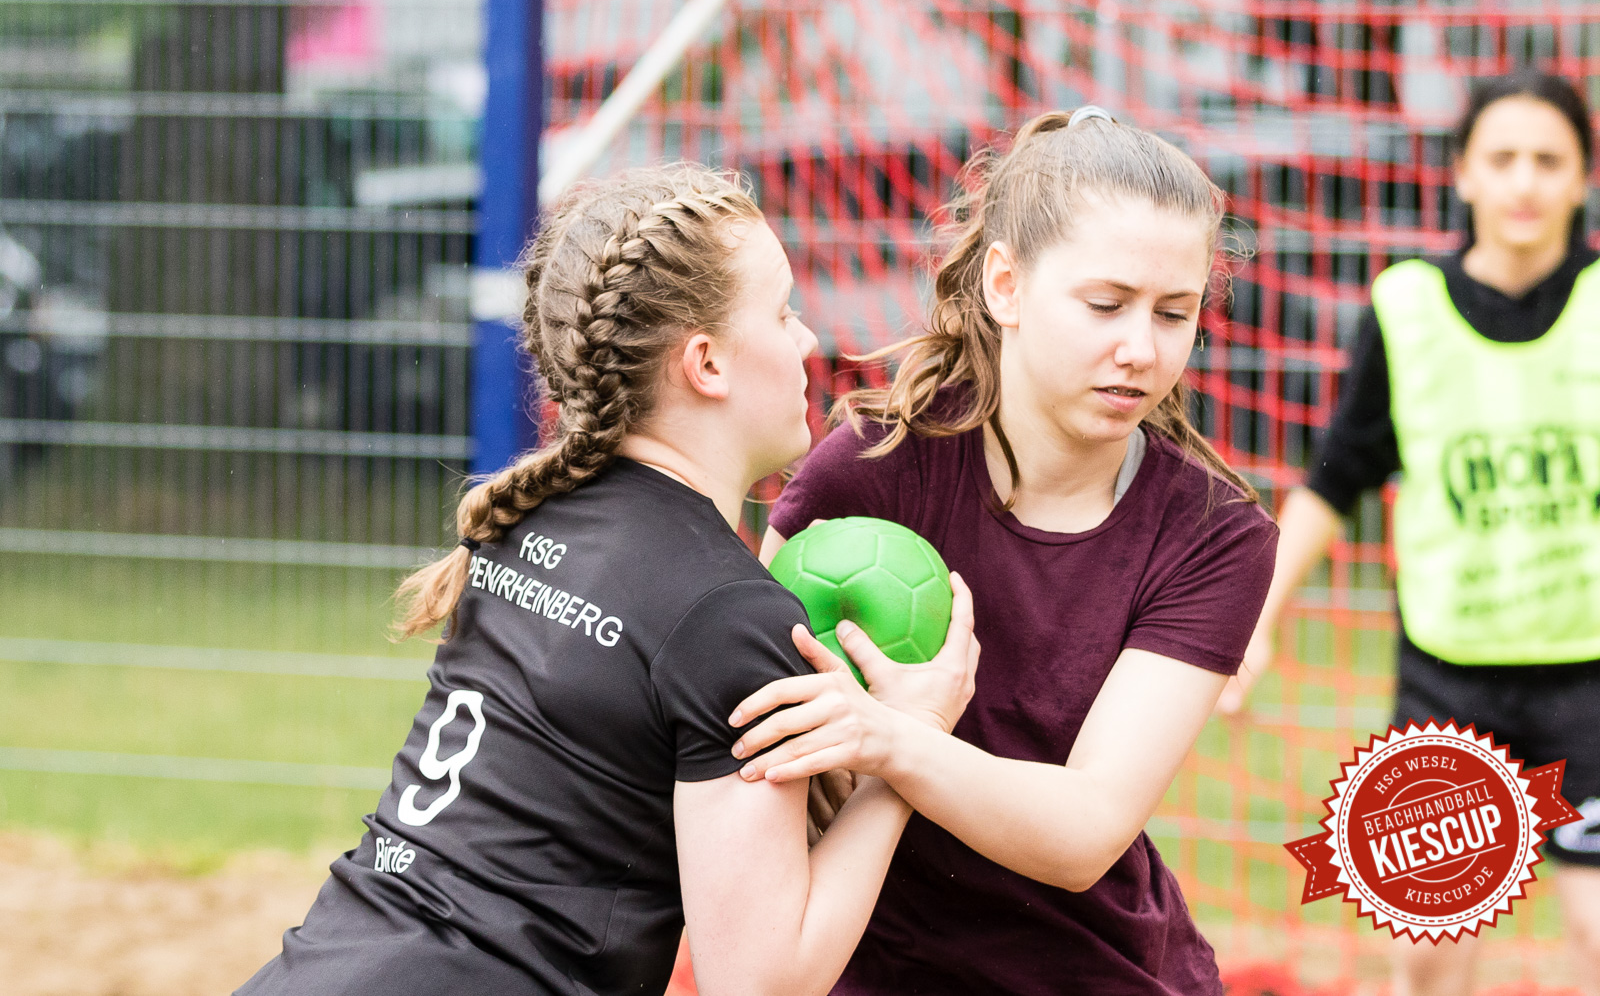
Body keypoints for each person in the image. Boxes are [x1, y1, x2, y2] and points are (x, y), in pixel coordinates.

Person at [235, 163, 978, 996]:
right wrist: (907, 747)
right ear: (706, 363)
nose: (808, 340)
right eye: (783, 312)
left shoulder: (526, 522)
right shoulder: (726, 614)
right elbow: (762, 980)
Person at [725, 108, 1280, 995]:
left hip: (1099, 972)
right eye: (1105, 304)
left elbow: (1084, 833)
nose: (1140, 348)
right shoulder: (866, 473)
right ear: (1006, 286)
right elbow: (747, 742)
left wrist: (896, 739)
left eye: (1174, 315)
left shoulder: (1217, 537)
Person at [1220, 69, 1600, 995]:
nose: (1524, 181)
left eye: (1548, 160)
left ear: (1583, 176)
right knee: (1430, 958)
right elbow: (1336, 476)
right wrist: (1255, 618)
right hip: (1447, 672)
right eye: (1501, 157)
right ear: (1462, 173)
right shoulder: (1407, 306)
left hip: (1590, 676)